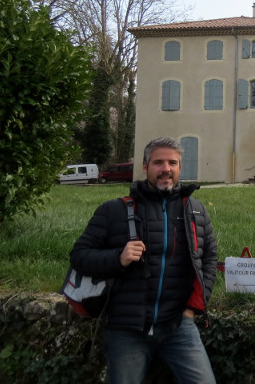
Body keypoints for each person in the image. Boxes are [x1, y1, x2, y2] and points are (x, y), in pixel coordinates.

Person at [70, 137, 218, 384]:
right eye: (158, 162)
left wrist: (193, 309)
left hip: (178, 327)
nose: (166, 169)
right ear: (145, 166)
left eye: (173, 163)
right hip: (126, 329)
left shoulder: (196, 211)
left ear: (180, 167)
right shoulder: (113, 211)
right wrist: (118, 258)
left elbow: (209, 258)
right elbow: (79, 256)